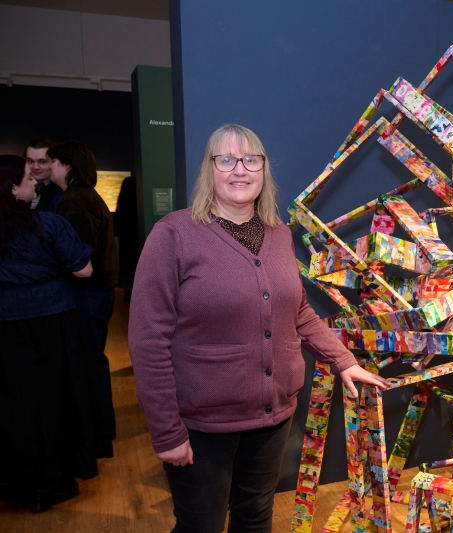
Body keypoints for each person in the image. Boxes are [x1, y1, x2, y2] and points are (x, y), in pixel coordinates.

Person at [128, 124, 389, 532]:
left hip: (272, 419)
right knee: (201, 525)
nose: (240, 169)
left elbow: (298, 311)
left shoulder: (279, 234)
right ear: (209, 169)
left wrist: (344, 361)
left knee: (255, 517)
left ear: (264, 169)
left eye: (251, 160)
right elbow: (147, 340)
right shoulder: (174, 235)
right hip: (203, 425)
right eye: (226, 159)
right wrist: (166, 432)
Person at [0, 154, 106, 513]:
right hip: (52, 318)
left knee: (13, 402)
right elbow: (83, 270)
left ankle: (16, 481)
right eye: (28, 178)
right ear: (13, 189)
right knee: (55, 399)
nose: (35, 181)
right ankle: (52, 481)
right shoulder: (48, 224)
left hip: (6, 322)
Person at [48, 141, 119, 442]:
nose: (48, 167)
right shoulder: (84, 197)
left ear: (67, 165)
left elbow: (80, 260)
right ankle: (99, 430)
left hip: (88, 294)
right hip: (96, 293)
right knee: (92, 360)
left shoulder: (76, 200)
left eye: (52, 161)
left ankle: (97, 433)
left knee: (89, 362)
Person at [24, 138, 60, 211]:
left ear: (54, 162)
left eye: (42, 162)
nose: (35, 167)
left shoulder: (61, 193)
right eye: (30, 161)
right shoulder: (14, 188)